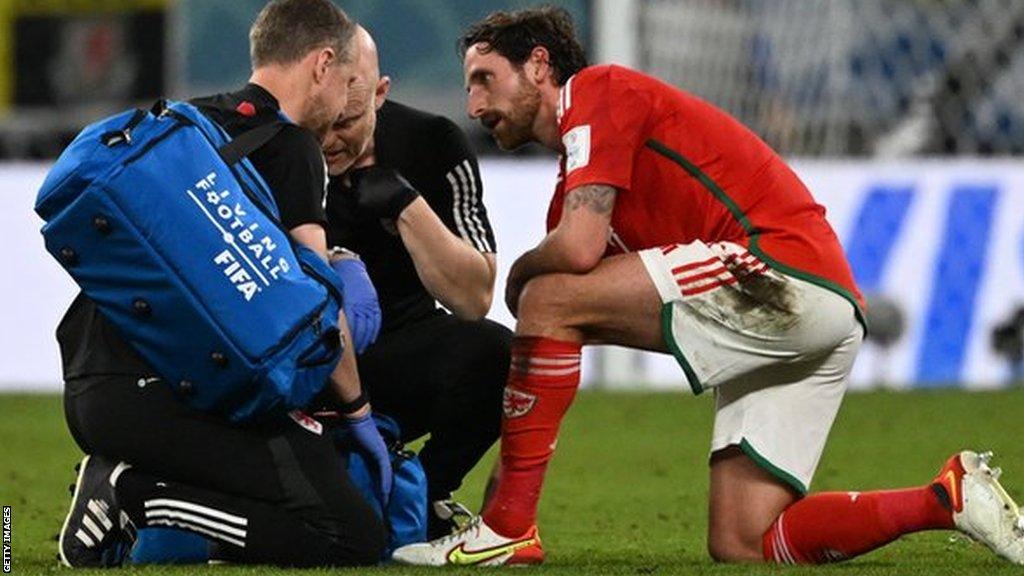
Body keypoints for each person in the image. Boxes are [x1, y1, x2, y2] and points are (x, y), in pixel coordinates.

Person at [392, 7, 1024, 566]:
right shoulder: (578, 181)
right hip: (821, 315)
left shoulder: (598, 89)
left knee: (550, 296)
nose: (474, 105)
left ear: (538, 65)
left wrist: (522, 275)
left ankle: (506, 530)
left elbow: (576, 255)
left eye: (484, 80)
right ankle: (945, 498)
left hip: (781, 269)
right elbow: (565, 293)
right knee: (745, 542)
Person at [56, 0, 392, 568]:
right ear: (323, 64)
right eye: (349, 82)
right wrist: (359, 415)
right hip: (166, 397)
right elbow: (317, 316)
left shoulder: (183, 125)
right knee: (348, 533)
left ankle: (130, 491)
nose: (343, 108)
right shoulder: (292, 147)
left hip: (91, 385)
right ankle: (130, 494)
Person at [321, 27, 511, 538]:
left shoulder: (433, 143)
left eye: (346, 122)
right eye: (321, 120)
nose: (329, 140)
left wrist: (408, 208)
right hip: (304, 364)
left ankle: (419, 494)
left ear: (380, 94)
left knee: (497, 352)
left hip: (395, 356)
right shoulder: (276, 152)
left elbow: (474, 299)